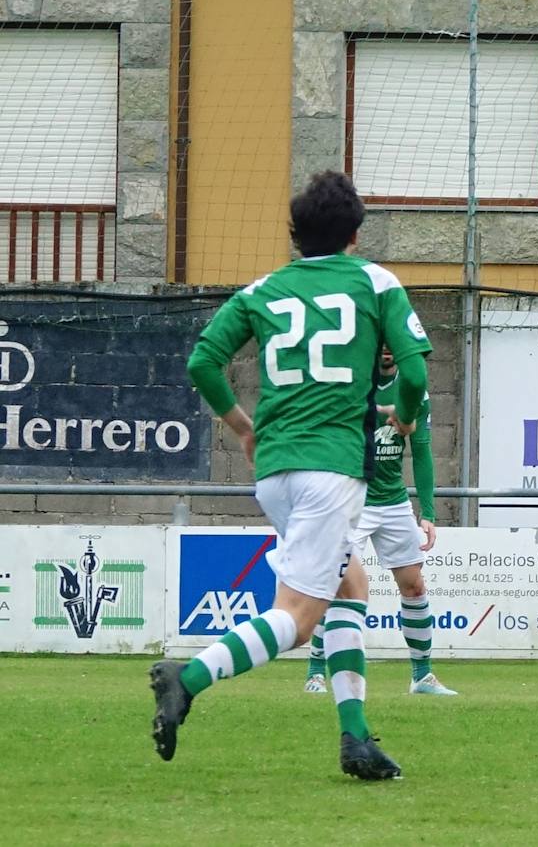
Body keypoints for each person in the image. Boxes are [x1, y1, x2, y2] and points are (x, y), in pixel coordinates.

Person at [150, 170, 431, 781]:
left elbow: (204, 361)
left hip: (275, 470)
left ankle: (356, 740)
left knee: (351, 586)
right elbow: (412, 379)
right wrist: (405, 423)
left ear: (296, 235)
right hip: (329, 470)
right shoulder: (377, 283)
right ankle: (188, 676)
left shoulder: (263, 289)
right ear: (355, 233)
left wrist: (244, 428)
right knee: (300, 622)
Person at [303, 345, 457, 698]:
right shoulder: (352, 383)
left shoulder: (414, 389)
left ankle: (422, 676)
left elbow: (420, 449)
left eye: (393, 344)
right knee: (335, 584)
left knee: (415, 585)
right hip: (352, 500)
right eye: (381, 343)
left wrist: (429, 512)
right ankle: (315, 671)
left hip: (394, 502)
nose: (387, 350)